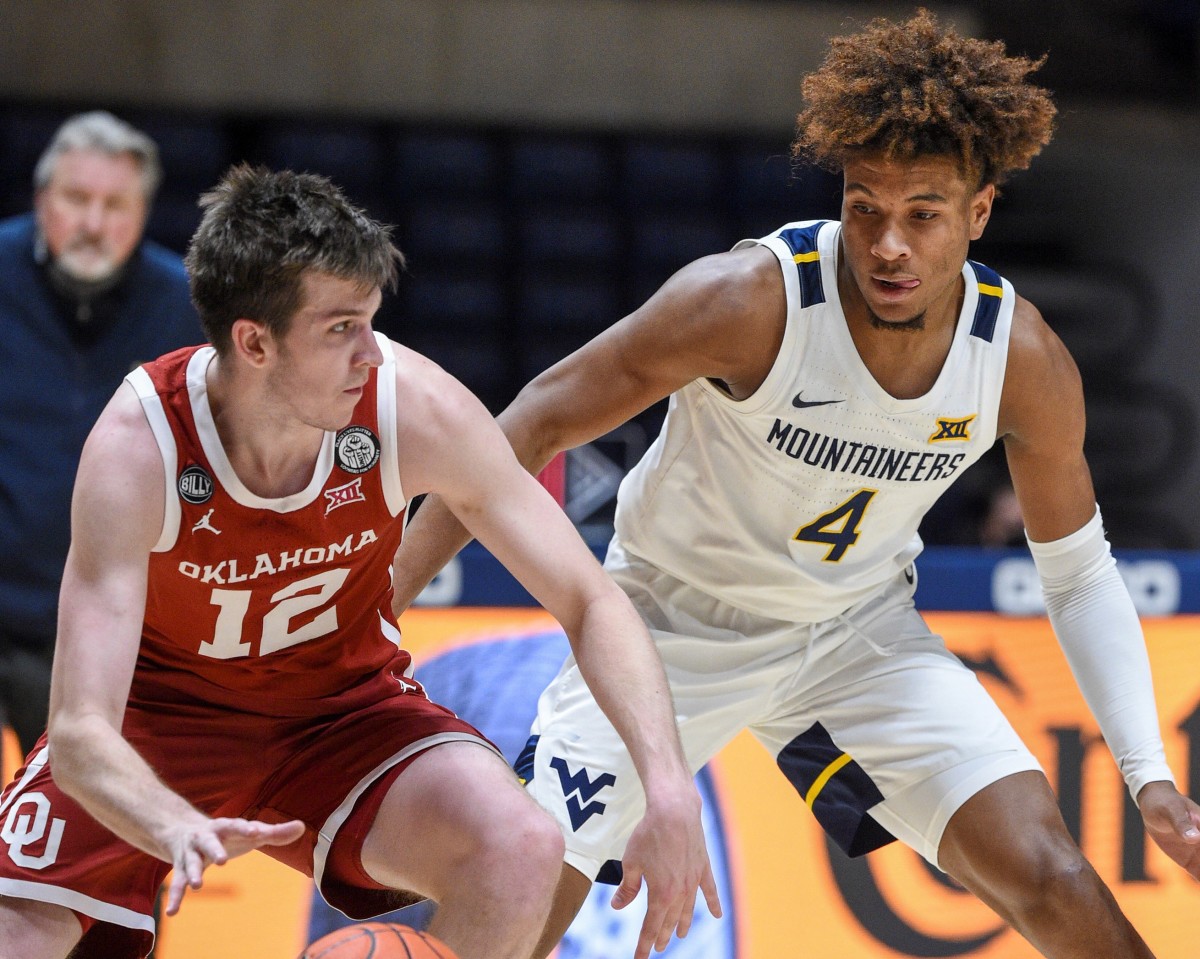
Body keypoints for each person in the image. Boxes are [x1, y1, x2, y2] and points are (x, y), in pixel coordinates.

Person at [391, 10, 1200, 959]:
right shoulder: (745, 302)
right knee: (515, 904)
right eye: (866, 208)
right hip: (669, 629)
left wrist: (1148, 774)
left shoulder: (1020, 359)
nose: (888, 245)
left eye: (923, 215)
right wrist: (381, 601)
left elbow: (1079, 570)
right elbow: (532, 423)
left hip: (855, 634)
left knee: (1053, 875)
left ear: (979, 214)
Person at [0, 166, 715, 959]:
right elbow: (79, 727)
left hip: (340, 712)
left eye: (372, 321)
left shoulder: (414, 406)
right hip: (161, 721)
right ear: (255, 341)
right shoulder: (140, 446)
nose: (372, 353)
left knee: (521, 845)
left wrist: (668, 782)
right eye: (341, 328)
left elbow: (590, 599)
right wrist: (172, 824)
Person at [0, 110, 202, 769]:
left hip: (100, 623)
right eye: (76, 199)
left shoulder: (185, 304)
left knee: (69, 837)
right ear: (41, 201)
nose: (93, 222)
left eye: (115, 204)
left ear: (143, 212)